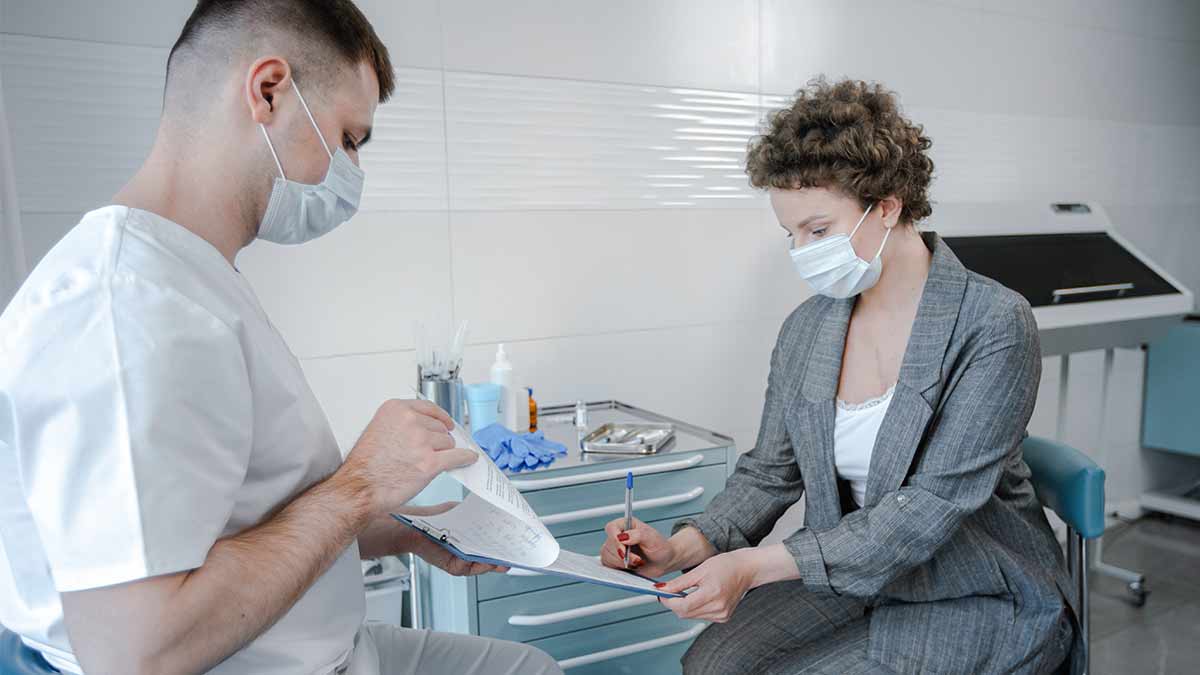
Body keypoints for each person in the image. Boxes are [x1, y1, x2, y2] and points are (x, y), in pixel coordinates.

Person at [0, 1, 561, 673]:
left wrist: (402, 525)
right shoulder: (125, 307)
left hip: (331, 646)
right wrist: (359, 484)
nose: (351, 171)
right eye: (349, 139)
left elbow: (241, 523)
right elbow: (135, 653)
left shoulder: (194, 274)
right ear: (268, 91)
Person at [600, 78, 1078, 674]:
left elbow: (928, 509)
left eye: (818, 230)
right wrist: (682, 547)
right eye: (791, 234)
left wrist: (753, 566)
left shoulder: (993, 322)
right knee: (709, 667)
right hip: (854, 577)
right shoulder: (807, 329)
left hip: (976, 587)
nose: (801, 251)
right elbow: (770, 472)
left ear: (887, 206)